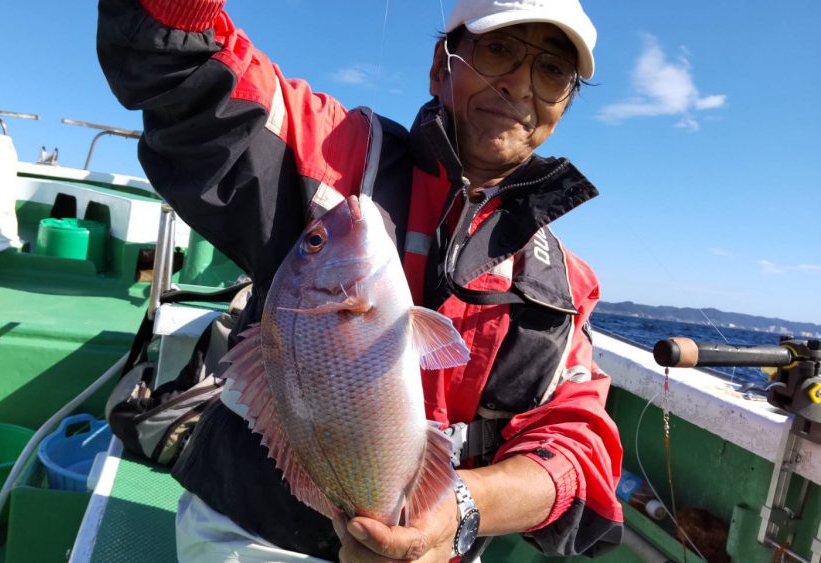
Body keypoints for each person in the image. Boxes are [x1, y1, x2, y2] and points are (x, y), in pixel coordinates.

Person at [97, 0, 624, 560]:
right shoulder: (334, 151)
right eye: (499, 50)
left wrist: (455, 512)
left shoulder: (563, 284)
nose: (520, 84)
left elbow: (577, 444)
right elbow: (185, 66)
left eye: (552, 71)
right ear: (441, 66)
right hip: (255, 535)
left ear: (564, 104)